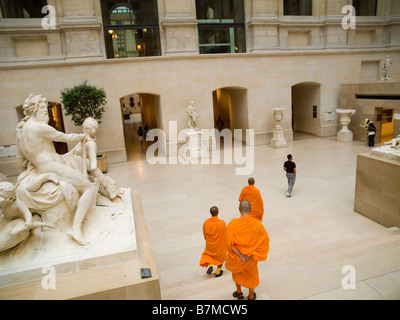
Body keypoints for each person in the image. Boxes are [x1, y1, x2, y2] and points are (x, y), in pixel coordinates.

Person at [16, 94, 98, 245]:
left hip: (43, 165)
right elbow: (65, 137)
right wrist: (81, 136)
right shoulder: (38, 127)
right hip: (52, 167)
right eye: (42, 108)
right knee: (88, 188)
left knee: (77, 161)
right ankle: (76, 228)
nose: (45, 112)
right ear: (34, 110)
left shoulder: (21, 130)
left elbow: (20, 160)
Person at [225, 201, 270, 300]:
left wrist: (241, 255)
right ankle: (250, 296)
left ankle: (239, 293)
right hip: (251, 259)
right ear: (250, 210)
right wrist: (251, 256)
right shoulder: (257, 224)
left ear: (239, 209)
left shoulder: (232, 224)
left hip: (238, 257)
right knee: (252, 276)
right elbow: (265, 241)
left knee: (237, 273)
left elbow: (229, 244)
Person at [199, 206, 227, 277]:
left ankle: (210, 266)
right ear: (218, 213)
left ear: (210, 213)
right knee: (221, 257)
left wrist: (208, 240)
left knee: (209, 254)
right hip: (219, 245)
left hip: (210, 244)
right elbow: (225, 234)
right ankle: (218, 272)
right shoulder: (222, 223)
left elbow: (205, 234)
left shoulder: (206, 223)